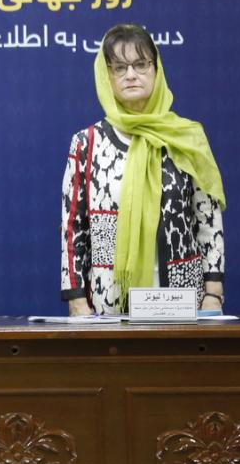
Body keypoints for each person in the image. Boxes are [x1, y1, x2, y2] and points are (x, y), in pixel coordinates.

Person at [61, 24, 225, 315]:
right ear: (106, 77)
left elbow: (208, 222)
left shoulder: (186, 138)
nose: (131, 75)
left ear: (156, 70)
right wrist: (76, 300)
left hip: (182, 301)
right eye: (119, 68)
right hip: (109, 303)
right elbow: (73, 228)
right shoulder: (87, 143)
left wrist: (213, 294)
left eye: (140, 64)